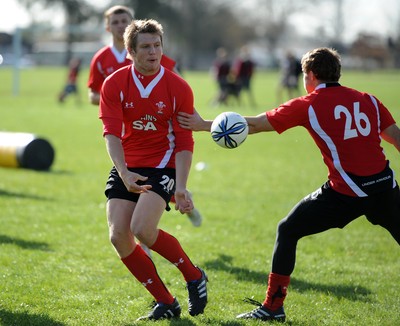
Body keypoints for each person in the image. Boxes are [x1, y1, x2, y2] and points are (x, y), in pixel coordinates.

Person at [177, 47, 400, 322]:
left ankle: (272, 307)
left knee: (288, 229)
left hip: (347, 193)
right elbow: (396, 138)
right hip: (386, 188)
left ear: (311, 75)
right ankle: (271, 307)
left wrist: (204, 124)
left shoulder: (308, 104)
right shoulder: (369, 99)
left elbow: (256, 124)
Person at [99, 19, 208, 321]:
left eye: (157, 45)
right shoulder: (115, 84)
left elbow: (185, 140)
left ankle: (193, 275)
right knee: (119, 235)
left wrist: (182, 186)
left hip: (163, 164)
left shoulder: (178, 87)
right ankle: (166, 301)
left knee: (142, 229)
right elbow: (111, 133)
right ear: (130, 51)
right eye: (145, 47)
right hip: (126, 164)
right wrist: (123, 173)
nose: (153, 52)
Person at [88, 5, 202, 228]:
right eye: (115, 22)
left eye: (125, 21)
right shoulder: (101, 59)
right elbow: (93, 93)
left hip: (158, 135)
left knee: (157, 191)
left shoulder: (152, 52)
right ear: (107, 26)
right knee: (137, 194)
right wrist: (113, 99)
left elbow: (175, 88)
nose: (120, 25)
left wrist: (200, 122)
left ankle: (183, 200)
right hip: (126, 132)